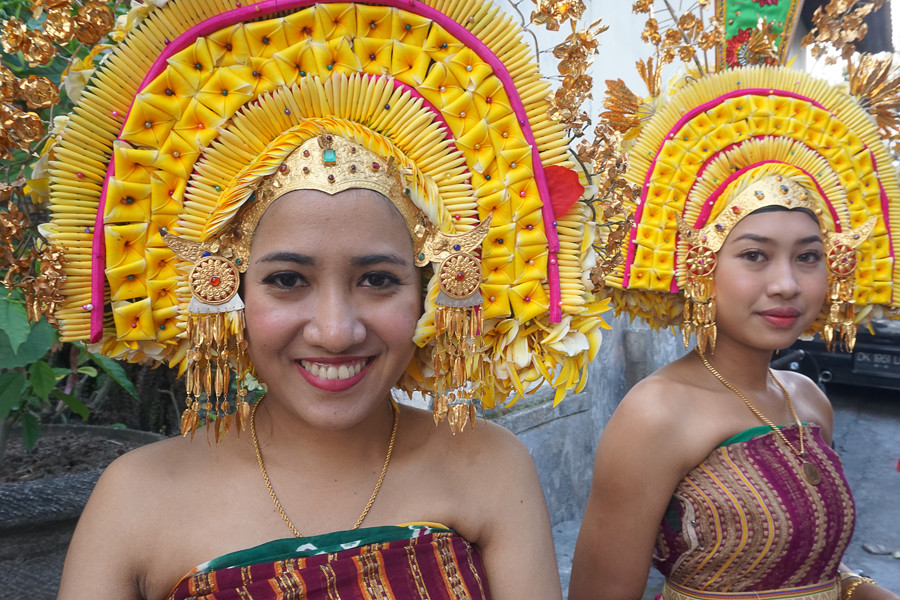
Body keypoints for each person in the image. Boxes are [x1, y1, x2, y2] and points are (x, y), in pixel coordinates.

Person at [19, 0, 612, 597]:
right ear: (225, 288)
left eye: (378, 280)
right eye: (286, 280)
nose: (336, 330)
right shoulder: (135, 499)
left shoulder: (489, 466)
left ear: (435, 291)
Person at [570, 1, 900, 599]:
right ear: (701, 265)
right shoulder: (655, 414)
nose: (786, 284)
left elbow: (808, 570)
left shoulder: (808, 400)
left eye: (808, 256)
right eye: (754, 255)